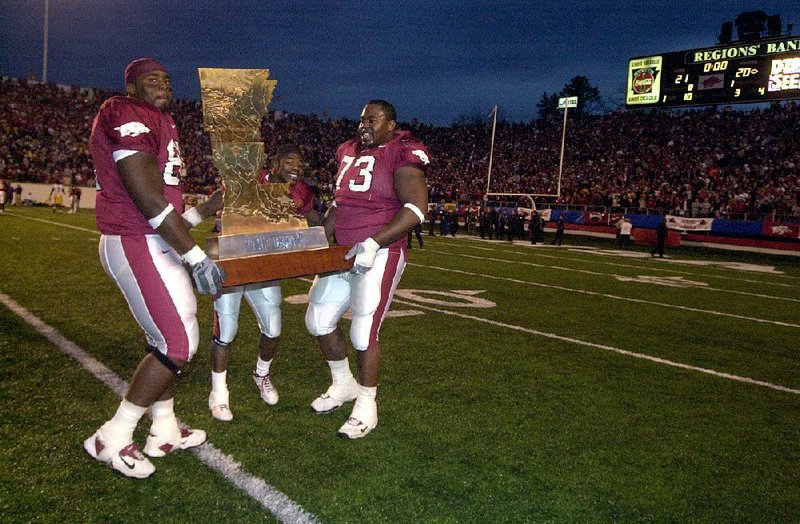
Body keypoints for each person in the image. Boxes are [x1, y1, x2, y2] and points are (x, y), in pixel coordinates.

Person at [83, 58, 225, 479]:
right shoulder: (125, 112)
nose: (163, 84)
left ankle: (163, 429)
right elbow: (146, 197)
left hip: (152, 239)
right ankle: (112, 435)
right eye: (151, 79)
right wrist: (195, 255)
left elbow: (166, 204)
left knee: (169, 337)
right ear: (130, 86)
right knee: (177, 344)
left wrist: (204, 211)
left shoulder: (158, 118)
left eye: (166, 78)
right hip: (136, 239)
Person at [305, 99, 429, 439]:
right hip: (342, 252)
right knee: (317, 320)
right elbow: (339, 203)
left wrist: (373, 243)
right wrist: (317, 238)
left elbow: (416, 209)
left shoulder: (402, 151)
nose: (364, 125)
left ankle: (366, 404)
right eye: (361, 119)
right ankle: (343, 383)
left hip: (380, 252)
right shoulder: (347, 150)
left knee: (363, 332)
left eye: (372, 119)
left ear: (391, 124)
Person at [208, 144, 325, 421]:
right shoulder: (250, 180)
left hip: (264, 266)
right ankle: (219, 392)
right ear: (274, 165)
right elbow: (219, 199)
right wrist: (189, 219)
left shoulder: (301, 192)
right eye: (289, 161)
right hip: (233, 264)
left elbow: (312, 219)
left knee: (273, 329)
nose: (296, 166)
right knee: (226, 330)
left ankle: (261, 374)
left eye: (300, 162)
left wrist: (339, 216)